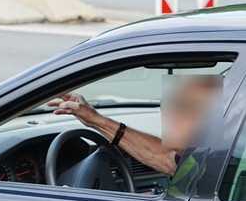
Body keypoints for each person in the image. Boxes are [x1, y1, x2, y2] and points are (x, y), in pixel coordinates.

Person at [47, 74, 222, 177]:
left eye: (184, 111)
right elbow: (166, 158)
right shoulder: (211, 161)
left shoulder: (232, 167)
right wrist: (96, 120)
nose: (168, 121)